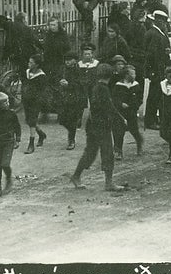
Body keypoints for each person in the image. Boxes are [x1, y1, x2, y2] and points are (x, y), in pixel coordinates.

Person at [70, 63, 126, 191]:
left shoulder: (96, 87)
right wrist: (121, 119)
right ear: (109, 76)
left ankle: (76, 176)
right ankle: (109, 183)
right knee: (107, 152)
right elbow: (109, 107)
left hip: (92, 124)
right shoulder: (104, 89)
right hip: (102, 125)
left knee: (90, 152)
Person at [0, 92, 21, 198]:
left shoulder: (12, 113)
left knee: (5, 164)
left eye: (7, 101)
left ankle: (9, 178)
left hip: (8, 142)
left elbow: (17, 127)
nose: (8, 103)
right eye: (5, 102)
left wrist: (18, 140)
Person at [143, 10, 171, 129]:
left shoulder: (157, 33)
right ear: (159, 21)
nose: (165, 25)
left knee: (157, 94)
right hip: (156, 69)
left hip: (158, 68)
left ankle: (154, 118)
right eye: (164, 22)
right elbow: (152, 55)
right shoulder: (155, 34)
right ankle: (150, 120)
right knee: (154, 95)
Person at [112, 64, 144, 159]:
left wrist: (135, 106)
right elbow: (114, 98)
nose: (134, 76)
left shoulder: (136, 85)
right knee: (119, 132)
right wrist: (120, 104)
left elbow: (140, 98)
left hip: (132, 112)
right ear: (126, 75)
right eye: (132, 74)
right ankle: (118, 151)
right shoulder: (118, 86)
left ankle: (139, 145)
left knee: (134, 130)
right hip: (121, 113)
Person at [58, 51, 86, 151]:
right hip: (64, 97)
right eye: (66, 60)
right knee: (62, 120)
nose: (67, 62)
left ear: (75, 60)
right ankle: (72, 129)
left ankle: (71, 140)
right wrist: (60, 82)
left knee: (71, 120)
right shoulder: (63, 69)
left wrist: (68, 84)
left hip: (75, 98)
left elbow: (81, 84)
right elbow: (57, 77)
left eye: (69, 60)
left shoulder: (79, 70)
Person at [22, 54, 48, 154]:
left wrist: (39, 100)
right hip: (26, 100)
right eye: (29, 62)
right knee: (29, 120)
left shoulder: (41, 76)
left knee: (32, 119)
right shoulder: (27, 72)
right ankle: (41, 134)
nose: (29, 64)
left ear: (37, 65)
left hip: (35, 101)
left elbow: (42, 91)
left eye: (31, 62)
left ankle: (31, 144)